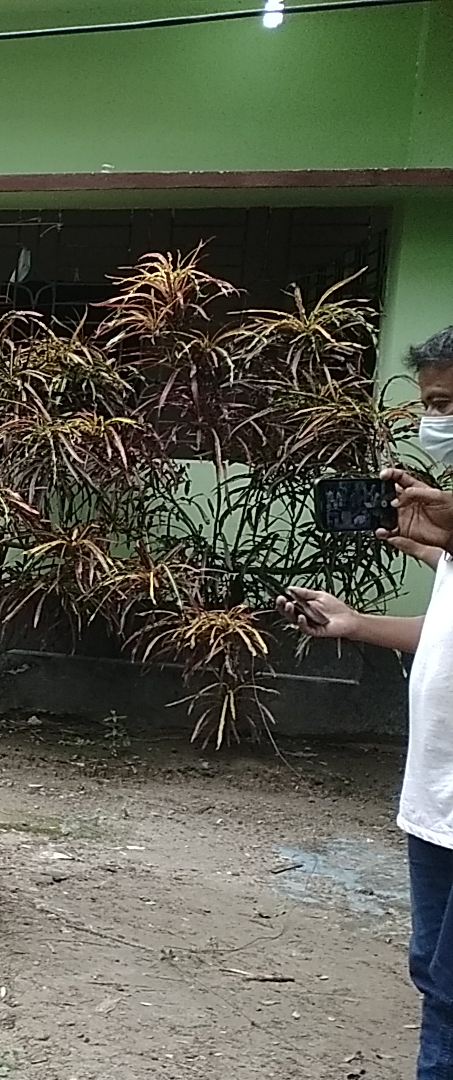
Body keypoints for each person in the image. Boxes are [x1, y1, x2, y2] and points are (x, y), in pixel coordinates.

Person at [283, 326, 453, 1079]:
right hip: (436, 799)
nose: (432, 426)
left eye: (445, 405)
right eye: (429, 406)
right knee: (430, 968)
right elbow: (441, 635)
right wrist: (356, 624)